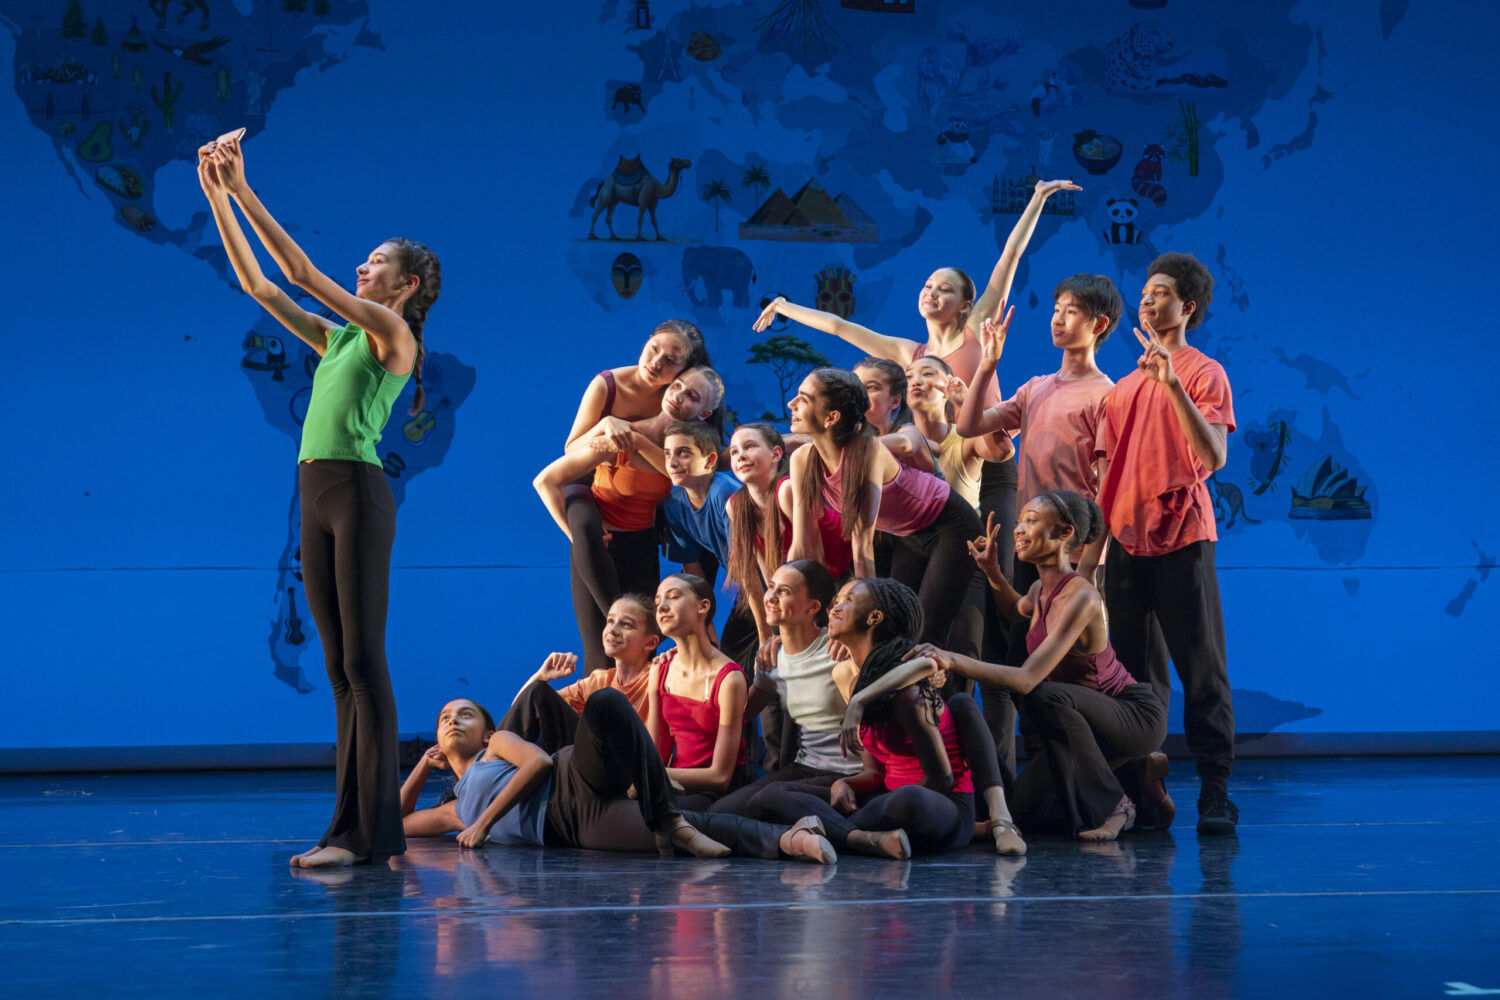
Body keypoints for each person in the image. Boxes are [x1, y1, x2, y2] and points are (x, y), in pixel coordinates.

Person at [197, 135, 438, 869]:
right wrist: (214, 196)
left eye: (375, 264)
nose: (362, 267)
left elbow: (298, 271)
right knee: (337, 669)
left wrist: (243, 187)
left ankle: (371, 835)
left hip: (359, 494)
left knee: (365, 661)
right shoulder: (339, 340)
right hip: (316, 492)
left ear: (404, 288)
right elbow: (263, 287)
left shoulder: (391, 334)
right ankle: (345, 830)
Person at [891, 491, 1171, 841]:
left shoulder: (1081, 596)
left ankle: (1118, 803)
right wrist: (992, 572)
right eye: (1020, 521)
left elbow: (1025, 680)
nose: (1019, 529)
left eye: (1032, 521)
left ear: (1064, 533)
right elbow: (1016, 611)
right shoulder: (1040, 589)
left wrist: (951, 658)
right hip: (1083, 725)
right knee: (1023, 811)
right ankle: (1141, 771)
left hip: (1132, 716)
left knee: (1044, 695)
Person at [1096, 253, 1238, 836]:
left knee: (1201, 670)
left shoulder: (1205, 373)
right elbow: (1105, 476)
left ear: (1188, 307)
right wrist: (1095, 553)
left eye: (1162, 293)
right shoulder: (1120, 389)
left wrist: (1173, 384)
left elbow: (1213, 457)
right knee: (1132, 679)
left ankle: (1215, 794)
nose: (1149, 301)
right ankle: (1139, 792)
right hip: (1126, 544)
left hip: (1183, 538)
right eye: (1146, 293)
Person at [758, 578, 1024, 857]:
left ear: (874, 616)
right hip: (886, 797)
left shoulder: (908, 693)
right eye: (836, 601)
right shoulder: (847, 677)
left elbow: (941, 781)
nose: (834, 608)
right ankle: (859, 835)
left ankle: (836, 831)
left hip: (940, 806)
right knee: (773, 793)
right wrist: (844, 783)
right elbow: (875, 771)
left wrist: (882, 802)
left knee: (910, 798)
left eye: (847, 600)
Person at [401, 694, 835, 864]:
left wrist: (483, 824)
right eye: (444, 718)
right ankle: (788, 838)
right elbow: (394, 824)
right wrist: (421, 766)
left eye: (465, 714)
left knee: (606, 703)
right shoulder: (451, 812)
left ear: (487, 729)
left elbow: (539, 764)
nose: (453, 721)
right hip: (571, 827)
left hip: (572, 775)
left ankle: (657, 800)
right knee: (688, 831)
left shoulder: (497, 745)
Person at [533, 367, 724, 674]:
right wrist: (577, 536)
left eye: (692, 396)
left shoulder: (688, 452)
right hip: (602, 550)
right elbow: (545, 481)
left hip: (643, 548)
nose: (678, 396)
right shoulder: (620, 435)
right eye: (677, 386)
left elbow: (682, 471)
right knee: (604, 654)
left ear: (704, 412)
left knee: (640, 653)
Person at [786, 368, 982, 650]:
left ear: (831, 417)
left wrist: (855, 622)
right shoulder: (804, 459)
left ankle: (937, 693)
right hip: (908, 536)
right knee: (897, 632)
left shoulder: (865, 454)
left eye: (803, 399)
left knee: (925, 635)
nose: (792, 404)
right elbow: (802, 545)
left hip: (950, 527)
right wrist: (797, 603)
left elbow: (862, 549)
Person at [708, 560, 863, 818]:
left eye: (785, 591)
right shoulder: (772, 658)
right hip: (804, 769)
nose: (771, 597)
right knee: (721, 813)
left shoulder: (837, 648)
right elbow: (742, 713)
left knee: (767, 804)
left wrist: (855, 646)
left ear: (812, 607)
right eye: (771, 587)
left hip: (849, 774)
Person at [498, 594, 660, 753]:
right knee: (538, 690)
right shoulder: (598, 680)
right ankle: (490, 767)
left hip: (625, 767)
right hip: (586, 765)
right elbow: (524, 710)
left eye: (626, 624)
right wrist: (541, 676)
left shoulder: (659, 676)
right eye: (610, 621)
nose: (613, 630)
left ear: (650, 642)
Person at [646, 574, 750, 809]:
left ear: (703, 606)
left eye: (673, 597)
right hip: (674, 781)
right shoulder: (660, 668)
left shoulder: (729, 678)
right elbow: (657, 749)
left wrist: (653, 776)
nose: (661, 607)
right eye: (657, 602)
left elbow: (721, 777)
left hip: (714, 791)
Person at [563, 319, 709, 449]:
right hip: (595, 475)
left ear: (685, 370)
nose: (656, 363)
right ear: (648, 341)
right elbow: (570, 449)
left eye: (670, 360)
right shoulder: (606, 386)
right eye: (654, 348)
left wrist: (637, 440)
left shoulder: (678, 402)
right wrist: (605, 424)